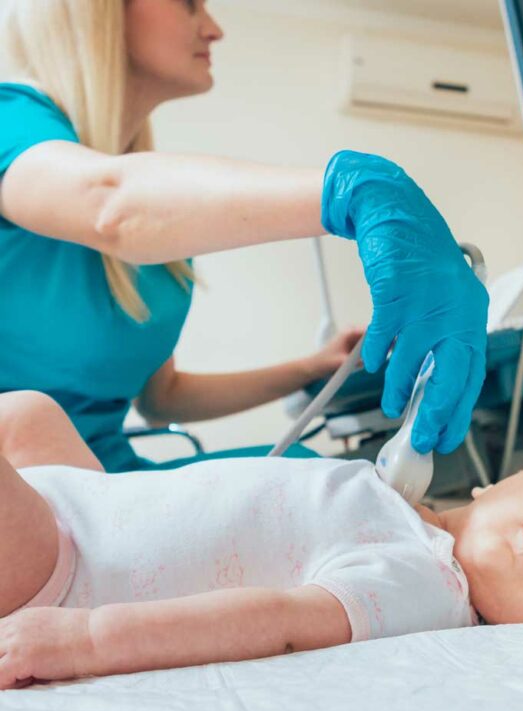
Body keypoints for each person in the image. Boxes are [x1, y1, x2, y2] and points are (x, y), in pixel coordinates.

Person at [0, 0, 488, 472]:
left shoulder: (161, 219)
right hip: (24, 499)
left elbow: (160, 398)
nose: (214, 28)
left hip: (105, 483)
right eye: (188, 3)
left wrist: (312, 368)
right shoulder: (11, 120)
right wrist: (356, 190)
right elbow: (108, 205)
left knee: (307, 476)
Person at [0, 391, 523, 688]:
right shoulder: (403, 509)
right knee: (31, 415)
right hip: (85, 509)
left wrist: (86, 639)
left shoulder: (425, 582)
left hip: (65, 576)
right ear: (499, 482)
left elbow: (278, 623)